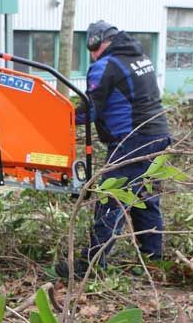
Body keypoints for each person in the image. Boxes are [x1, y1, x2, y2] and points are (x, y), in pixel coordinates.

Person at [56, 21, 172, 279]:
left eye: (92, 48)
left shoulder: (104, 66)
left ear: (98, 43)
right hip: (158, 136)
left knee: (110, 196)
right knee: (144, 197)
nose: (92, 55)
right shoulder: (139, 57)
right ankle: (154, 261)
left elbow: (90, 109)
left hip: (132, 140)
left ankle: (92, 264)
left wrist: (59, 119)